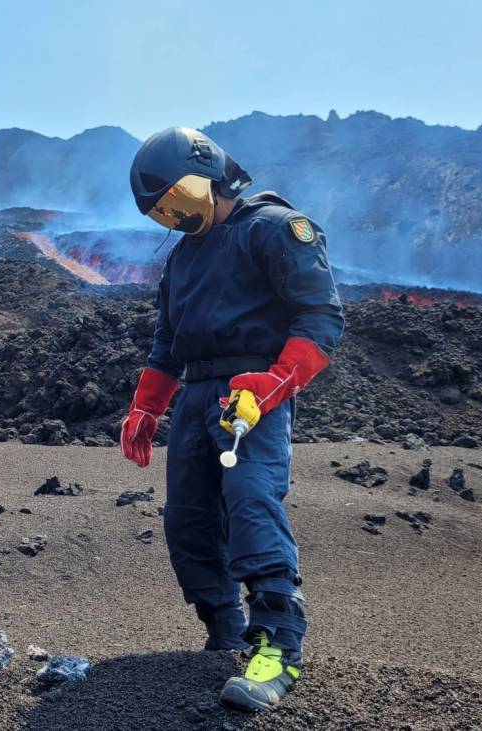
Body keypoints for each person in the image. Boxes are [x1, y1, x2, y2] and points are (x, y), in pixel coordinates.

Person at [120, 127, 344, 712]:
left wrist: (273, 385)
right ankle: (223, 633)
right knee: (187, 520)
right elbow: (167, 344)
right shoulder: (182, 259)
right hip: (197, 398)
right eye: (161, 212)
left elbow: (321, 317)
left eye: (175, 202)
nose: (172, 218)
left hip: (251, 395)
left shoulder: (273, 230)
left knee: (250, 502)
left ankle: (277, 645)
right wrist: (147, 407)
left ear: (207, 176)